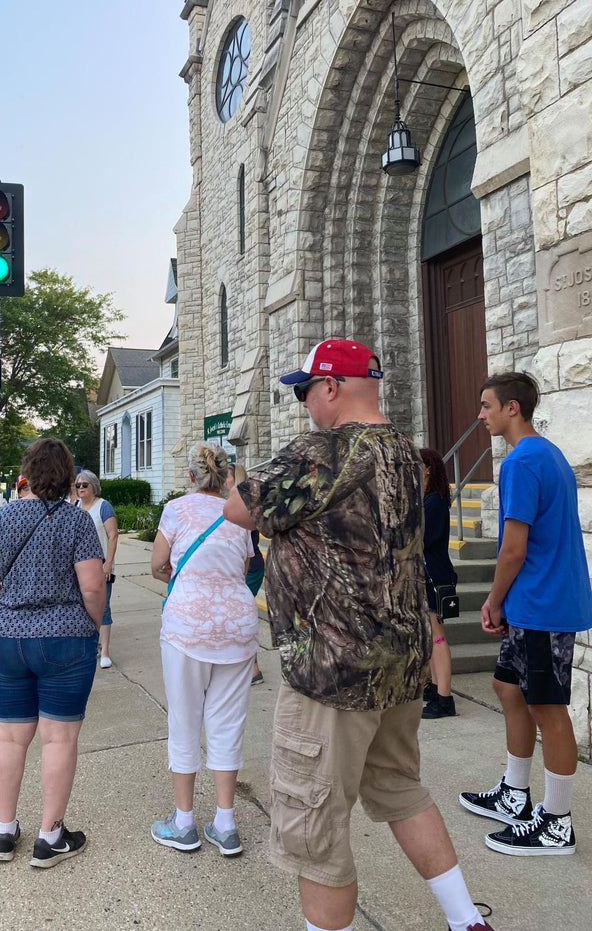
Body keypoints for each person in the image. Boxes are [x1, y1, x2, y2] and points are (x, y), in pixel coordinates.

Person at [223, 340, 495, 931]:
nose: (303, 403)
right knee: (401, 787)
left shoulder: (324, 451)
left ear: (331, 387)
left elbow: (239, 510)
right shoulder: (404, 450)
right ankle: (465, 920)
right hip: (399, 659)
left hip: (332, 669)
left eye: (305, 391)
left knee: (312, 826)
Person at [459, 372, 592, 856]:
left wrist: (492, 600)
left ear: (512, 408)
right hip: (538, 600)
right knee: (508, 687)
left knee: (548, 708)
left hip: (541, 602)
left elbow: (513, 549)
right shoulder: (548, 454)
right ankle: (515, 795)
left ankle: (557, 824)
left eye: (486, 405)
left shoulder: (521, 462)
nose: (480, 414)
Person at [0, 438, 106, 867]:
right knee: (59, 737)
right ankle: (50, 837)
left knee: (10, 736)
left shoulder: (1, 519)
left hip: (7, 638)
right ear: (70, 478)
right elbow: (92, 586)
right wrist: (91, 625)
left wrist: (5, 617)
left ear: (27, 474)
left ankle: (5, 830)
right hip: (65, 639)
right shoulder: (78, 522)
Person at [150, 442, 257, 857]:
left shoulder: (176, 510)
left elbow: (159, 564)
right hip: (237, 624)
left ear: (191, 476)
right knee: (228, 722)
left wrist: (185, 582)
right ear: (225, 475)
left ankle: (183, 822)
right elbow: (244, 568)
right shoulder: (238, 513)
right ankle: (225, 823)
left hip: (187, 627)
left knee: (184, 719)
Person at [419, 448, 458, 720]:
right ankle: (435, 687)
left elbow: (419, 540)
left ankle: (445, 698)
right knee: (433, 635)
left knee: (437, 636)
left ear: (428, 469)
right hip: (429, 576)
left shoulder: (433, 503)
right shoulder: (427, 501)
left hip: (435, 578)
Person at [75, 470, 118, 669]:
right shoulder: (75, 507)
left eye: (85, 484)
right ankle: (91, 647)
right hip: (79, 568)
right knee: (82, 609)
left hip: (100, 567)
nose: (81, 488)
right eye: (78, 485)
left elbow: (112, 535)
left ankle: (106, 651)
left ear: (94, 486)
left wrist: (108, 563)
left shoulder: (104, 506)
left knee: (103, 608)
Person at [226, 463, 265, 684]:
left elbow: (246, 545)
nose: (223, 480)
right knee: (237, 614)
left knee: (239, 615)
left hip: (249, 566)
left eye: (227, 476)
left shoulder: (244, 503)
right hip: (244, 565)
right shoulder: (239, 502)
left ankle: (253, 669)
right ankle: (247, 666)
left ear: (236, 478)